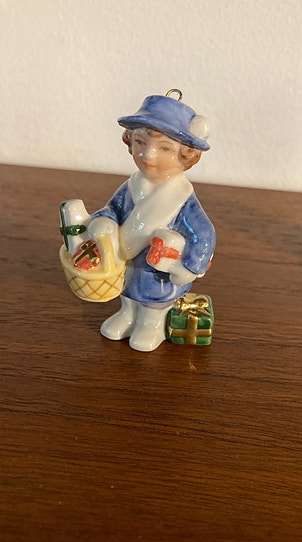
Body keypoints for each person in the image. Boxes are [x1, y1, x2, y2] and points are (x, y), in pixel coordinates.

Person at [87, 91, 215, 352]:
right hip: (126, 262)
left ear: (186, 154)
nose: (148, 155)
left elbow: (203, 233)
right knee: (128, 292)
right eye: (140, 143)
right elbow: (113, 209)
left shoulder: (181, 197)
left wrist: (190, 266)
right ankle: (127, 315)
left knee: (153, 298)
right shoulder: (132, 185)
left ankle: (152, 324)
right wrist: (104, 220)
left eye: (164, 148)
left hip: (158, 272)